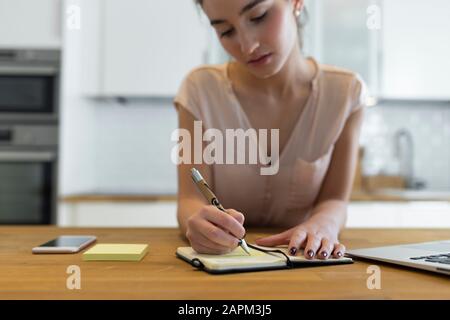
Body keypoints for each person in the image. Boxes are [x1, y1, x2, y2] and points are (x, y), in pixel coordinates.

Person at [173, 0, 367, 259]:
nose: (247, 46)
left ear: (296, 3)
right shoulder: (199, 90)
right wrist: (195, 224)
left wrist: (325, 225)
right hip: (223, 270)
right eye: (226, 31)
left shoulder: (346, 93)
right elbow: (190, 200)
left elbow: (334, 200)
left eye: (259, 16)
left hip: (301, 264)